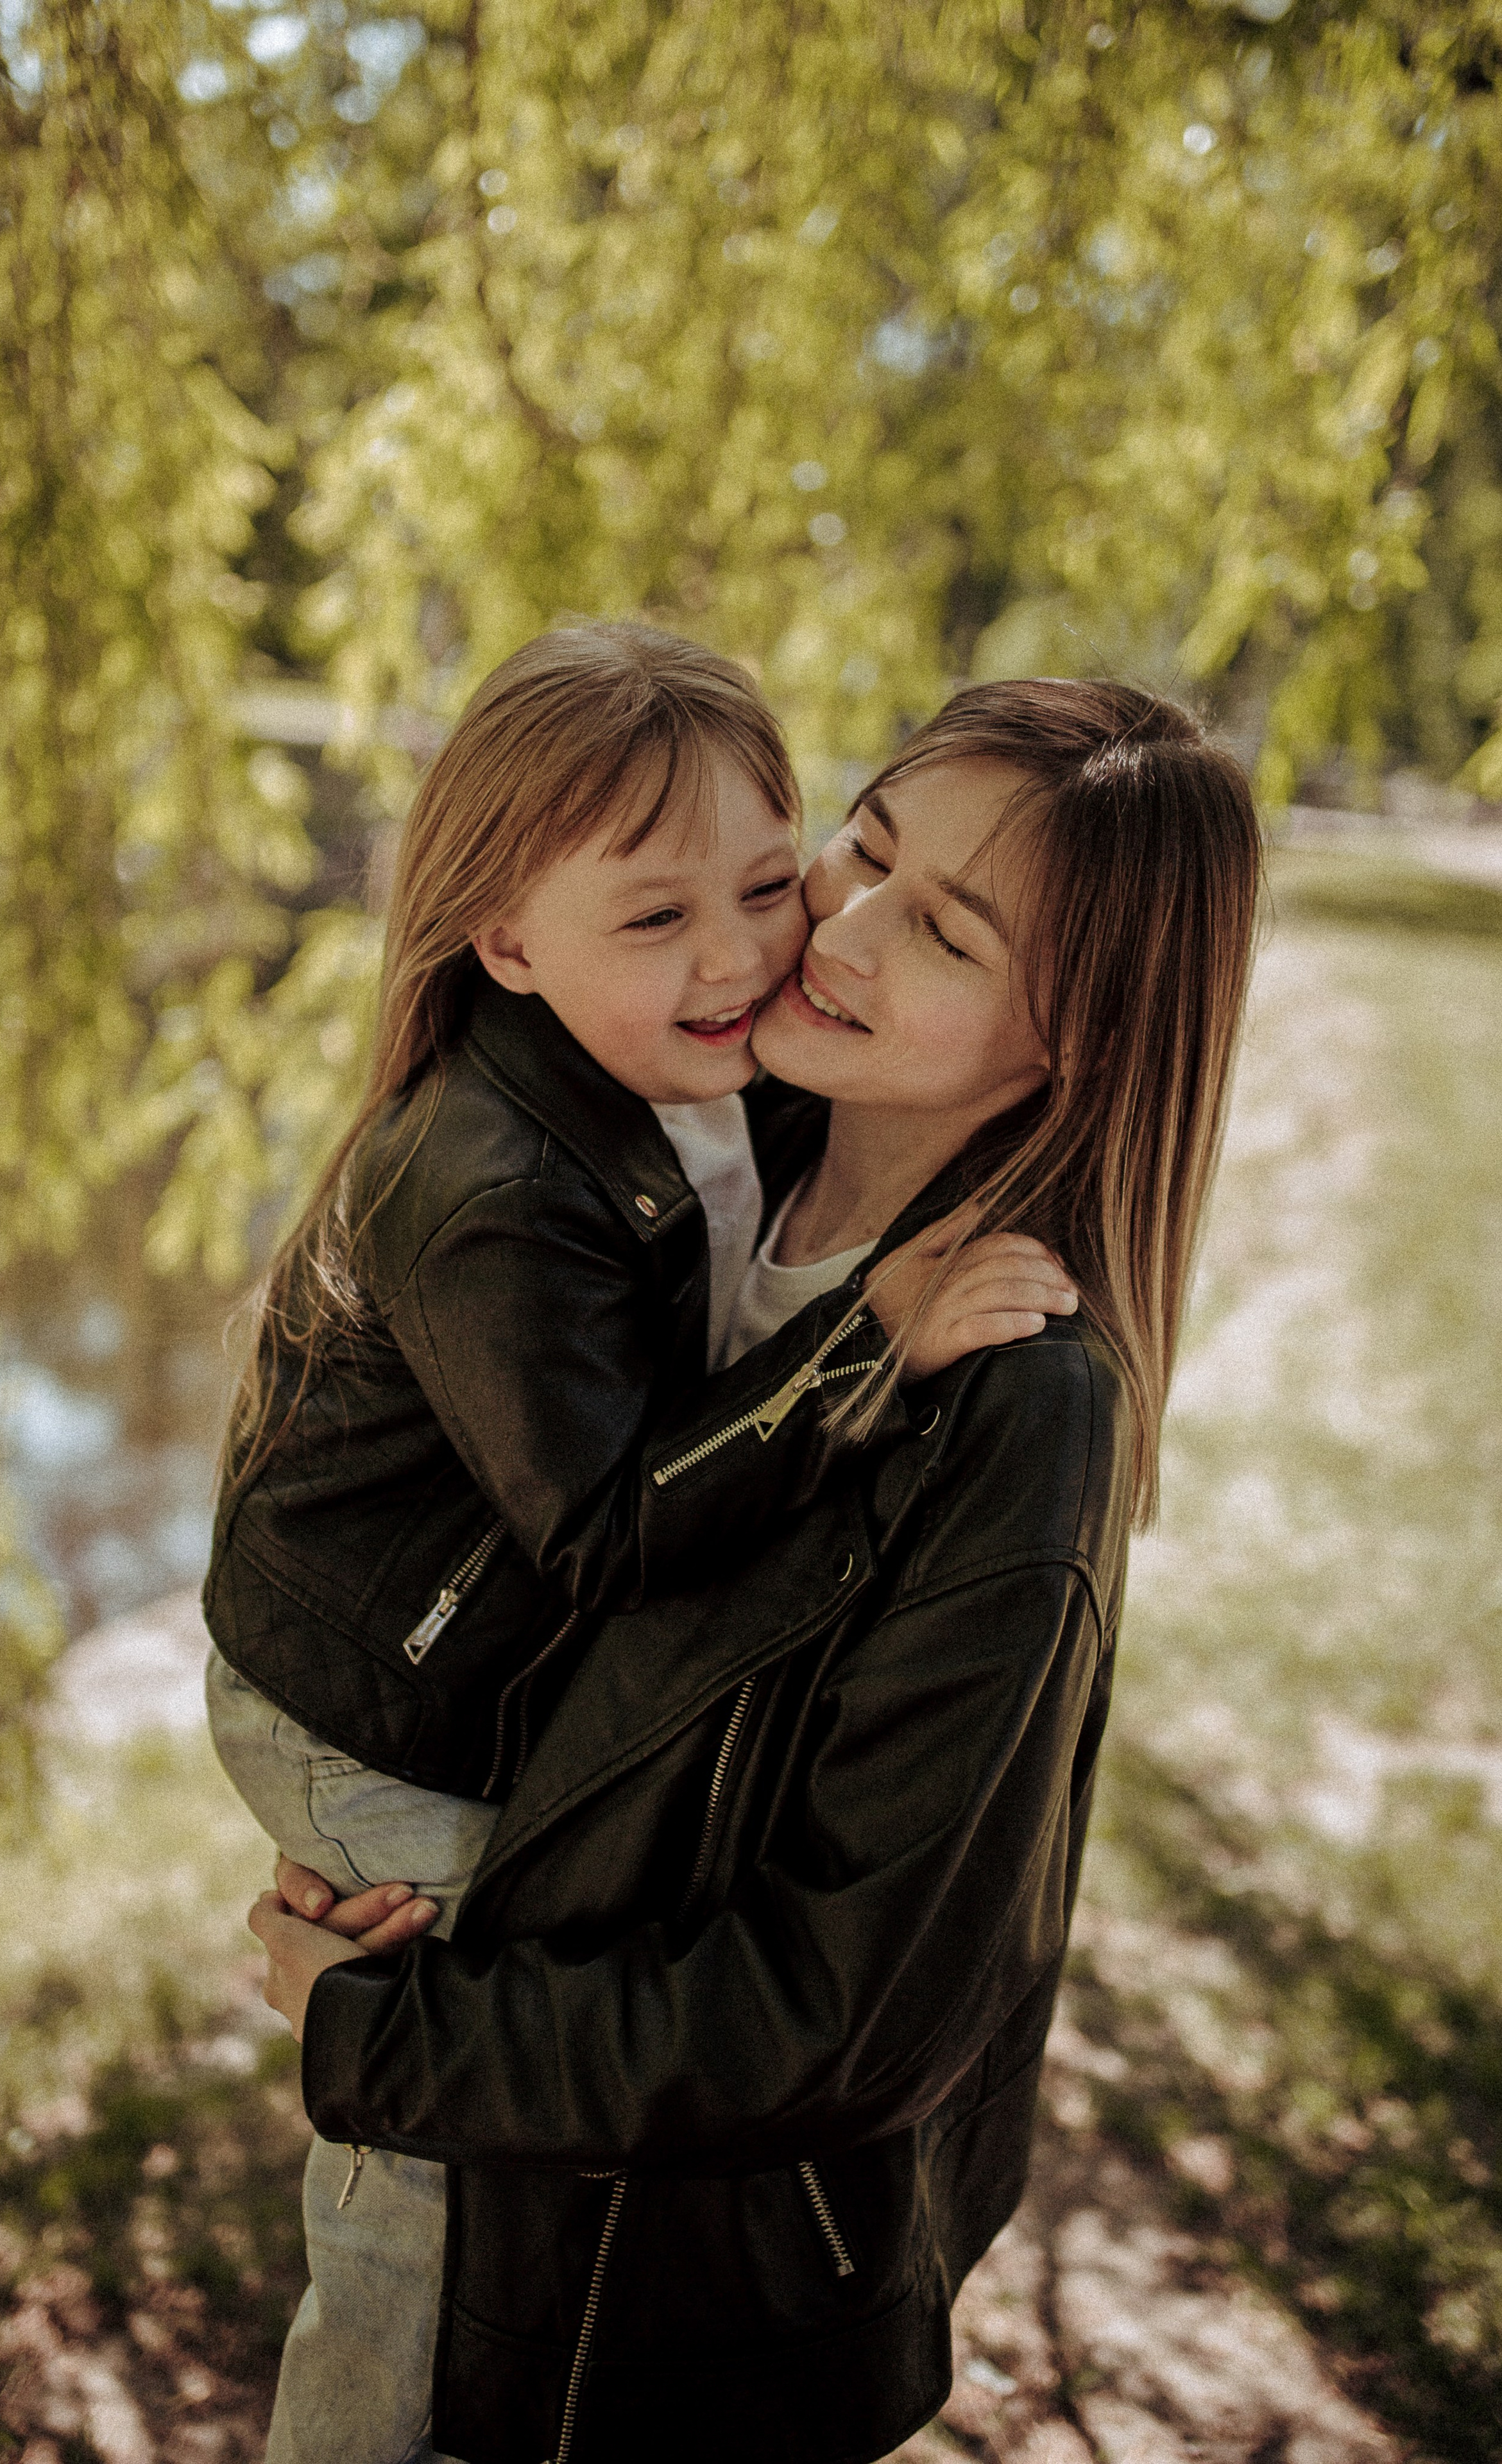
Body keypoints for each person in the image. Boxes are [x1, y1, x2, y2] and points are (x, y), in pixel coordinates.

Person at [252, 675, 1263, 2464]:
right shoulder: (708, 1156)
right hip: (515, 2195)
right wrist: (374, 1805)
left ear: (1083, 1038)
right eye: (862, 845)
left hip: (672, 2316)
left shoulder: (1024, 1408)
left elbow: (842, 2007)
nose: (841, 929)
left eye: (942, 929)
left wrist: (385, 2032)